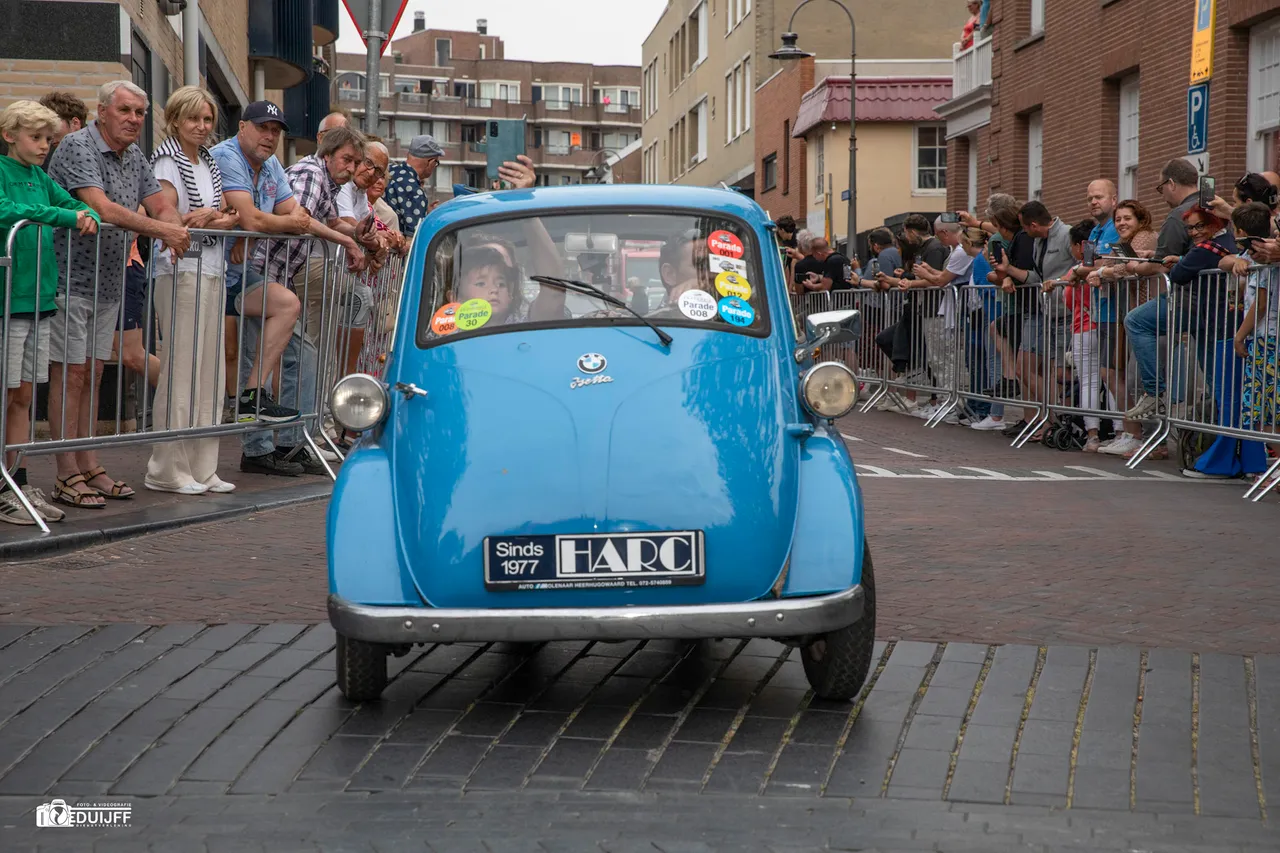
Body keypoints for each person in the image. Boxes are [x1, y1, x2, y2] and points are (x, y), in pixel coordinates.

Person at [46, 80, 191, 508]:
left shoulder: (135, 155)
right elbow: (101, 208)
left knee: (93, 372)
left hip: (108, 279)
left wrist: (174, 224)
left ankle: (88, 462)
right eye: (125, 110)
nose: (133, 119)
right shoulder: (77, 146)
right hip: (69, 278)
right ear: (102, 110)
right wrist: (164, 230)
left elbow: (159, 202)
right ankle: (64, 471)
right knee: (70, 374)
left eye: (140, 113)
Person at [0, 100, 99, 523]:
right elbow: (7, 211)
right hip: (8, 301)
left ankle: (16, 481)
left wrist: (85, 213)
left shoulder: (41, 177)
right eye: (36, 138)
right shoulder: (3, 173)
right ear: (10, 136)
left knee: (23, 394)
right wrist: (66, 215)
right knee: (4, 394)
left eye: (48, 139)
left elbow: (83, 208)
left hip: (40, 300)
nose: (44, 147)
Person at [145, 86, 241, 496]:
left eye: (207, 119)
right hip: (179, 268)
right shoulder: (167, 159)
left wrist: (221, 218)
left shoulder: (210, 162)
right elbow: (166, 217)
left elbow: (223, 212)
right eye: (194, 119)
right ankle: (166, 468)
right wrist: (208, 219)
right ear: (176, 120)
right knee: (180, 369)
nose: (202, 127)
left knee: (209, 370)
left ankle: (204, 467)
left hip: (212, 269)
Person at [213, 101, 317, 476]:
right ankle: (243, 448)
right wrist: (258, 224)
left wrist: (347, 240)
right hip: (205, 271)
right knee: (202, 367)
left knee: (286, 308)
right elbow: (257, 217)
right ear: (242, 127)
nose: (270, 136)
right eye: (262, 127)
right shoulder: (227, 156)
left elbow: (298, 216)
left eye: (276, 130)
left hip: (242, 273)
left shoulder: (271, 163)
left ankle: (255, 407)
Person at [1047, 219, 1122, 452]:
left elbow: (1068, 299)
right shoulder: (1101, 267)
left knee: (1089, 381)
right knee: (1112, 380)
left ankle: (1093, 436)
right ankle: (1120, 431)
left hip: (1084, 326)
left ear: (1080, 246)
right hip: (1107, 324)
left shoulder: (1078, 270)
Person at [383, 134, 444, 239]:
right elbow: (413, 238)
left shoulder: (388, 170)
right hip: (391, 250)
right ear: (431, 162)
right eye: (436, 163)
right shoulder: (415, 192)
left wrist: (424, 211)